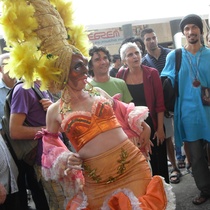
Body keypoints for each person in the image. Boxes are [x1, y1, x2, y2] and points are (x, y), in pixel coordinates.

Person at [1, 0, 175, 209]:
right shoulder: (55, 111)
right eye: (78, 66)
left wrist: (144, 126)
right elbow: (50, 146)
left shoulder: (98, 92)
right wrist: (66, 157)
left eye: (85, 64)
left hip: (132, 167)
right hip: (96, 181)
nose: (86, 71)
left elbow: (125, 112)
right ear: (63, 71)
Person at [161, 14, 210, 205]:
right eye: (187, 28)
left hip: (209, 112)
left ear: (200, 30)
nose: (191, 31)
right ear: (184, 33)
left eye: (194, 27)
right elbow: (167, 81)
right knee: (196, 156)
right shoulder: (175, 56)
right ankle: (205, 189)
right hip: (188, 114)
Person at [116, 42, 170, 184]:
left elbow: (159, 104)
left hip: (153, 122)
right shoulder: (120, 76)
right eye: (130, 54)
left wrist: (159, 128)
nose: (135, 56)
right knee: (140, 165)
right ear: (124, 60)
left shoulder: (151, 73)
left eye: (137, 53)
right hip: (132, 128)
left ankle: (164, 196)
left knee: (160, 164)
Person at [140, 28, 182, 184]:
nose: (151, 41)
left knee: (182, 133)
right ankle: (176, 167)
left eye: (153, 37)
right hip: (160, 106)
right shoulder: (143, 62)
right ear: (144, 42)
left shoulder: (172, 54)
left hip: (177, 100)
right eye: (148, 39)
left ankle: (184, 160)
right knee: (167, 137)